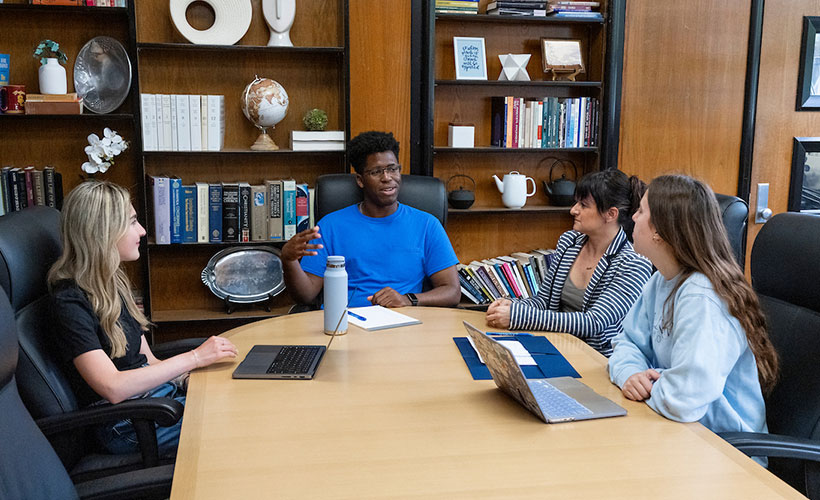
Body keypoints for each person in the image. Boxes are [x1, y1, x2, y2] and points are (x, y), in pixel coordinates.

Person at [48, 181, 238, 455]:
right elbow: (112, 387)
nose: (143, 231)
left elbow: (147, 360)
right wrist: (194, 358)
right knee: (235, 427)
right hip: (125, 423)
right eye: (133, 222)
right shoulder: (69, 302)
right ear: (103, 231)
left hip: (156, 400)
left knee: (242, 403)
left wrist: (186, 379)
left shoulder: (112, 284)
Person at [608, 174, 778, 441]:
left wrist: (647, 384)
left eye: (641, 211)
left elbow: (684, 399)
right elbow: (626, 342)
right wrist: (630, 373)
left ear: (659, 231)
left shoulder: (703, 296)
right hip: (675, 430)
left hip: (725, 451)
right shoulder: (661, 280)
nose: (634, 218)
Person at [282, 130, 461, 308]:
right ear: (360, 180)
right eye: (376, 172)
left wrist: (408, 299)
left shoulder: (427, 225)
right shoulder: (330, 226)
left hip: (404, 324)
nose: (387, 178)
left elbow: (452, 291)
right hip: (346, 324)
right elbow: (306, 295)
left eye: (392, 169)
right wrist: (289, 261)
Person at [486, 169, 652, 357]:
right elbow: (543, 302)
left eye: (583, 205)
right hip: (553, 346)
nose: (573, 210)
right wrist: (510, 305)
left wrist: (517, 316)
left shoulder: (634, 264)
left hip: (596, 359)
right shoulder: (569, 242)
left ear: (611, 214)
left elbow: (593, 323)